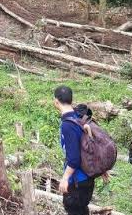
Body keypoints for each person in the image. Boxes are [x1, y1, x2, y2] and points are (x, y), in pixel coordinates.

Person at [53, 86, 95, 215]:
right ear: (71, 100)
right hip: (88, 176)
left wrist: (65, 178)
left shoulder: (67, 125)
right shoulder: (79, 116)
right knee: (82, 210)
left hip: (77, 181)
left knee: (75, 211)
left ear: (56, 101)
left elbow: (74, 159)